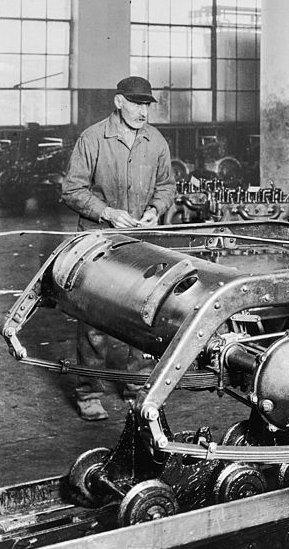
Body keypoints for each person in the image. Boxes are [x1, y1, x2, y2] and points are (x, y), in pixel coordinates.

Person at [61, 76, 176, 420]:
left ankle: (135, 387)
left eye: (147, 105)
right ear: (118, 102)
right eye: (136, 103)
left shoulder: (155, 141)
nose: (143, 111)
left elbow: (167, 185)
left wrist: (156, 209)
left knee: (141, 315)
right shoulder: (93, 138)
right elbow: (72, 190)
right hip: (99, 243)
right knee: (95, 319)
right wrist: (107, 213)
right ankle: (88, 394)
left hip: (141, 243)